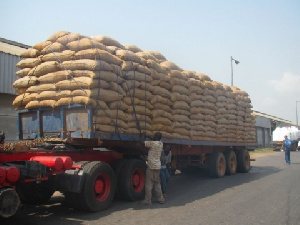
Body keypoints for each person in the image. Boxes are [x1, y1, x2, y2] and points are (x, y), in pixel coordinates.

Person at [141, 132, 165, 205]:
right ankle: (161, 199)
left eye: (154, 136)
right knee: (157, 183)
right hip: (158, 166)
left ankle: (148, 201)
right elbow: (154, 140)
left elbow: (142, 143)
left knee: (149, 184)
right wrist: (150, 137)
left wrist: (143, 135)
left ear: (156, 137)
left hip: (151, 166)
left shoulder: (152, 144)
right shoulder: (161, 144)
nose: (153, 136)